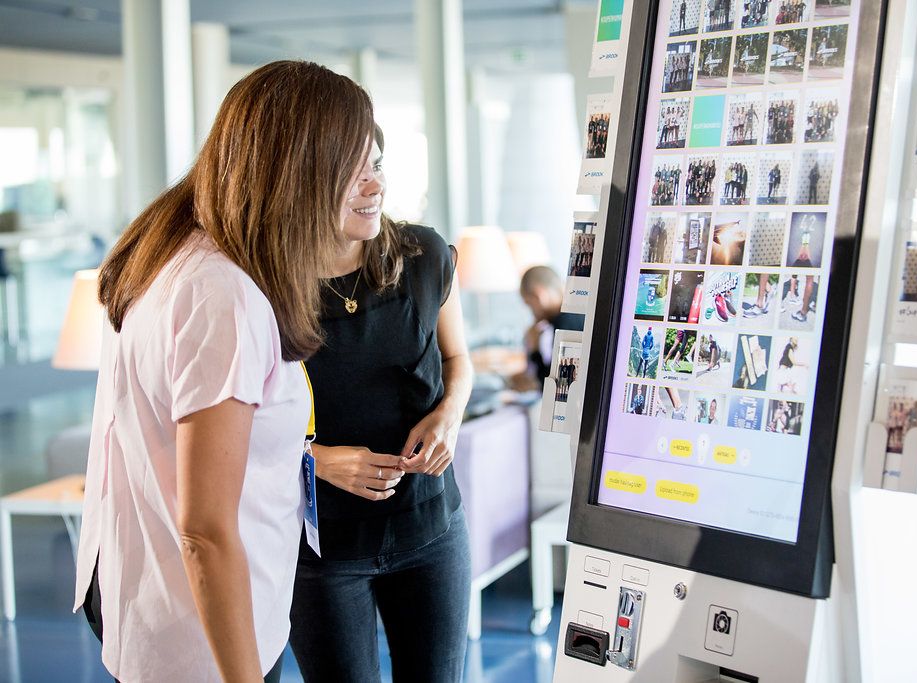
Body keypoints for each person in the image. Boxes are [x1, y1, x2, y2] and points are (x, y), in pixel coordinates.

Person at [73, 61, 373, 682]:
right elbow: (205, 531)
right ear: (303, 171)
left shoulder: (172, 249)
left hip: (161, 612)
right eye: (358, 163)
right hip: (204, 646)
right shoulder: (224, 297)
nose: (375, 181)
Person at [287, 124, 474, 683]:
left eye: (378, 164)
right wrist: (314, 460)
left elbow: (458, 360)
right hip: (321, 550)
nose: (375, 185)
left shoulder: (425, 254)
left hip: (432, 528)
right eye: (353, 172)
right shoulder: (263, 284)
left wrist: (448, 417)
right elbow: (238, 427)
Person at [514, 265, 585, 388]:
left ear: (539, 296)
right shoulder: (577, 309)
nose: (532, 313)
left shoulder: (565, 324)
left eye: (529, 304)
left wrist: (535, 351)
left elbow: (558, 389)